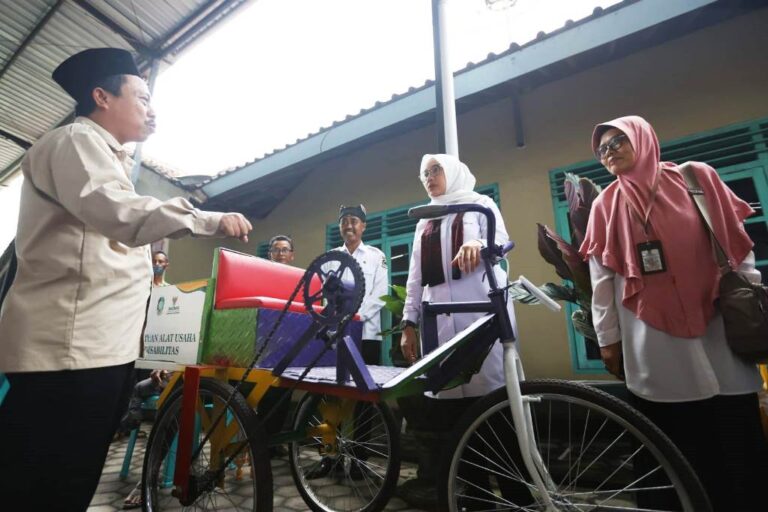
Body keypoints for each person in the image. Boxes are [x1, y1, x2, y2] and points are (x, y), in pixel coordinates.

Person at [0, 48, 252, 511]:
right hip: (69, 354)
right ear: (101, 96)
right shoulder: (75, 141)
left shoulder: (104, 156)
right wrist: (205, 219)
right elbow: (121, 214)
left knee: (66, 482)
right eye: (142, 97)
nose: (151, 110)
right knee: (43, 484)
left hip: (97, 350)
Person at [580, 115, 767, 511]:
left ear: (642, 138)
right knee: (675, 439)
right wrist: (608, 340)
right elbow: (602, 281)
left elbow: (736, 244)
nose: (609, 152)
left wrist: (749, 297)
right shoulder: (605, 204)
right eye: (602, 150)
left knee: (735, 436)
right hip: (651, 337)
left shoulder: (695, 178)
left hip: (720, 324)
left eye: (617, 141)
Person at [398, 154, 515, 505]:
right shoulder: (425, 219)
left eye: (436, 170)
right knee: (456, 421)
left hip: (481, 320)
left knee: (496, 413)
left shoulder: (480, 205)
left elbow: (502, 243)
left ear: (452, 172)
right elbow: (416, 276)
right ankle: (477, 499)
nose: (429, 177)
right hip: (440, 325)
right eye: (424, 173)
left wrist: (479, 243)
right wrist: (408, 323)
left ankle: (518, 497)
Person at [336, 205, 388, 364]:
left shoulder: (376, 256)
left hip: (368, 334)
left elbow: (380, 295)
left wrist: (356, 316)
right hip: (336, 333)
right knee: (333, 376)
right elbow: (325, 296)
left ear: (363, 226)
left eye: (354, 221)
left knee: (367, 377)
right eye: (344, 222)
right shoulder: (331, 257)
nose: (348, 226)